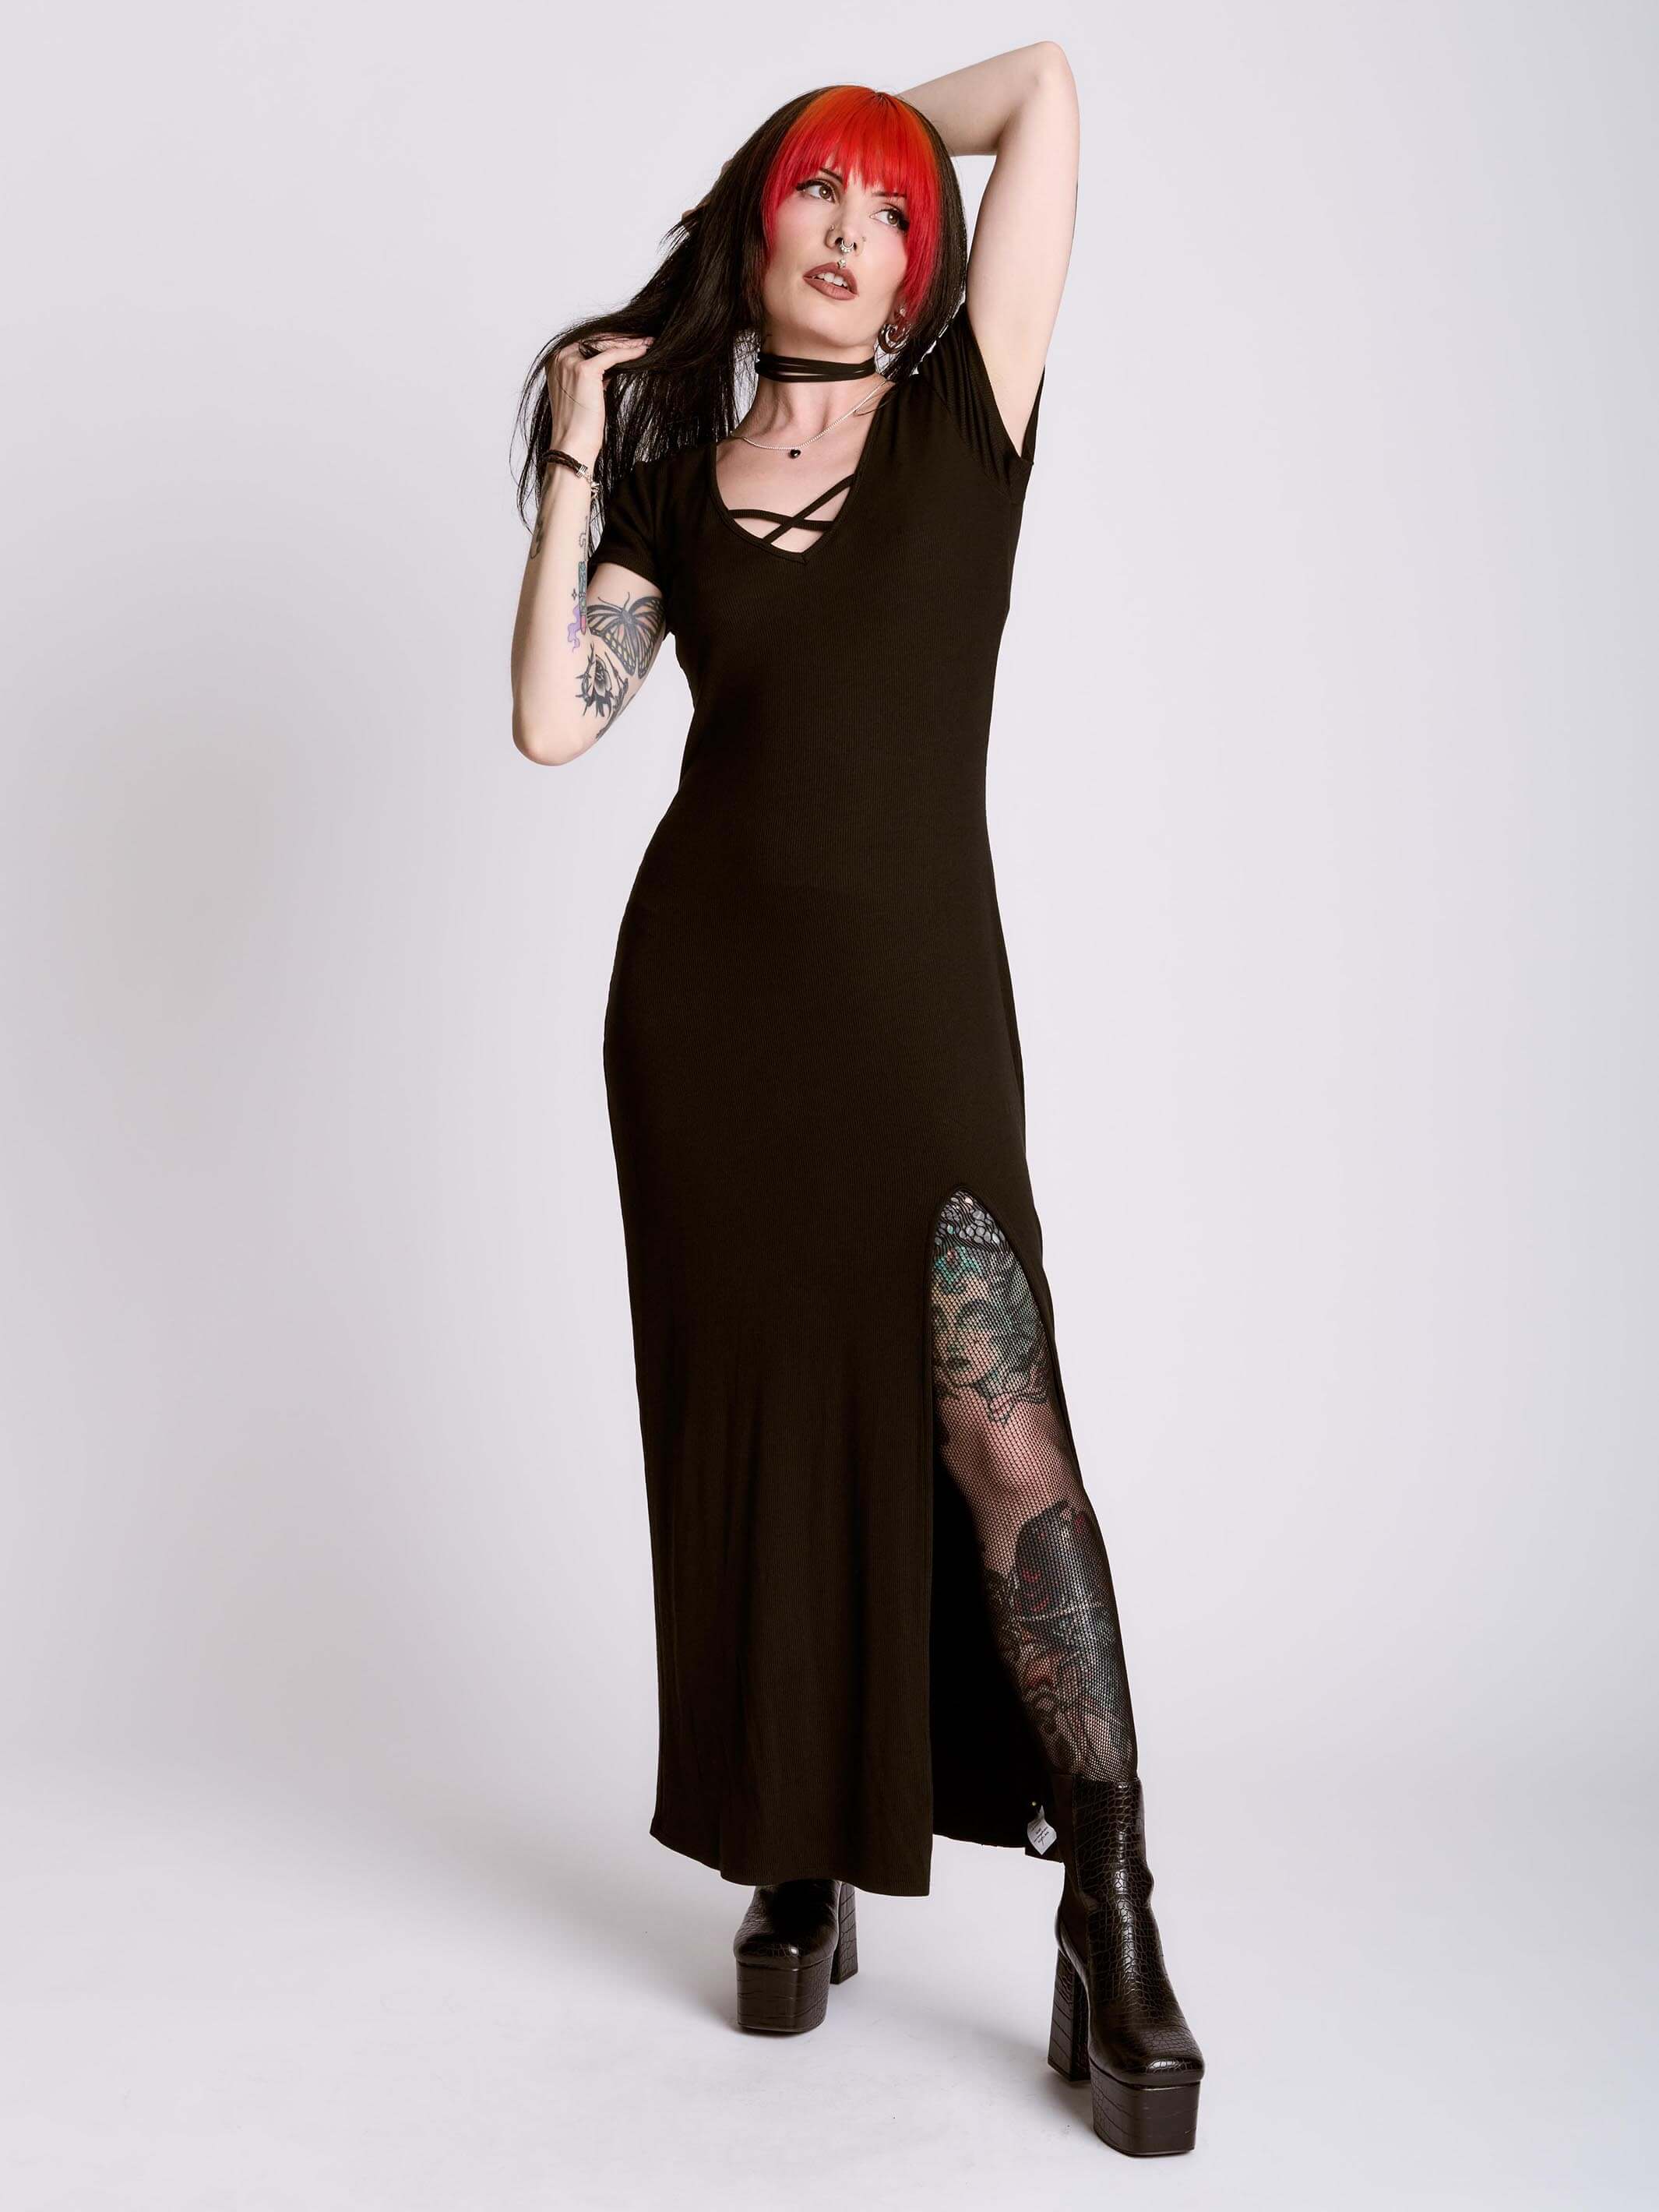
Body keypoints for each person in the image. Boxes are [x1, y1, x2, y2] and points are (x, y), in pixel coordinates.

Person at [508, 48, 1205, 2157]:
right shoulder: (674, 479)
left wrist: (852, 112)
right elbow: (551, 720)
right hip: (704, 1026)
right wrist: (577, 452)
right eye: (815, 192)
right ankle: (791, 1855)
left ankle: (1110, 1910)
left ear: (927, 268)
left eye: (891, 207)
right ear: (754, 234)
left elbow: (1047, 92)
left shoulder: (968, 412)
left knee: (1001, 1433)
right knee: (755, 1424)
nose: (851, 230)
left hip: (909, 1015)